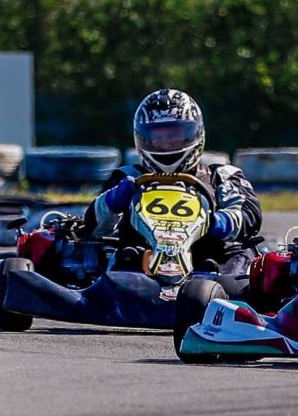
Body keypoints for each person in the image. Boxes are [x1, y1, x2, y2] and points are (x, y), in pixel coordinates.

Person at [82, 89, 262, 280]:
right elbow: (93, 227)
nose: (166, 145)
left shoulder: (220, 176)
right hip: (139, 271)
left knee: (241, 256)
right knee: (119, 256)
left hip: (208, 267)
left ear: (196, 133)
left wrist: (220, 221)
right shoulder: (127, 178)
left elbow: (250, 215)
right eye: (158, 137)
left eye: (174, 135)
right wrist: (113, 201)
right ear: (141, 137)